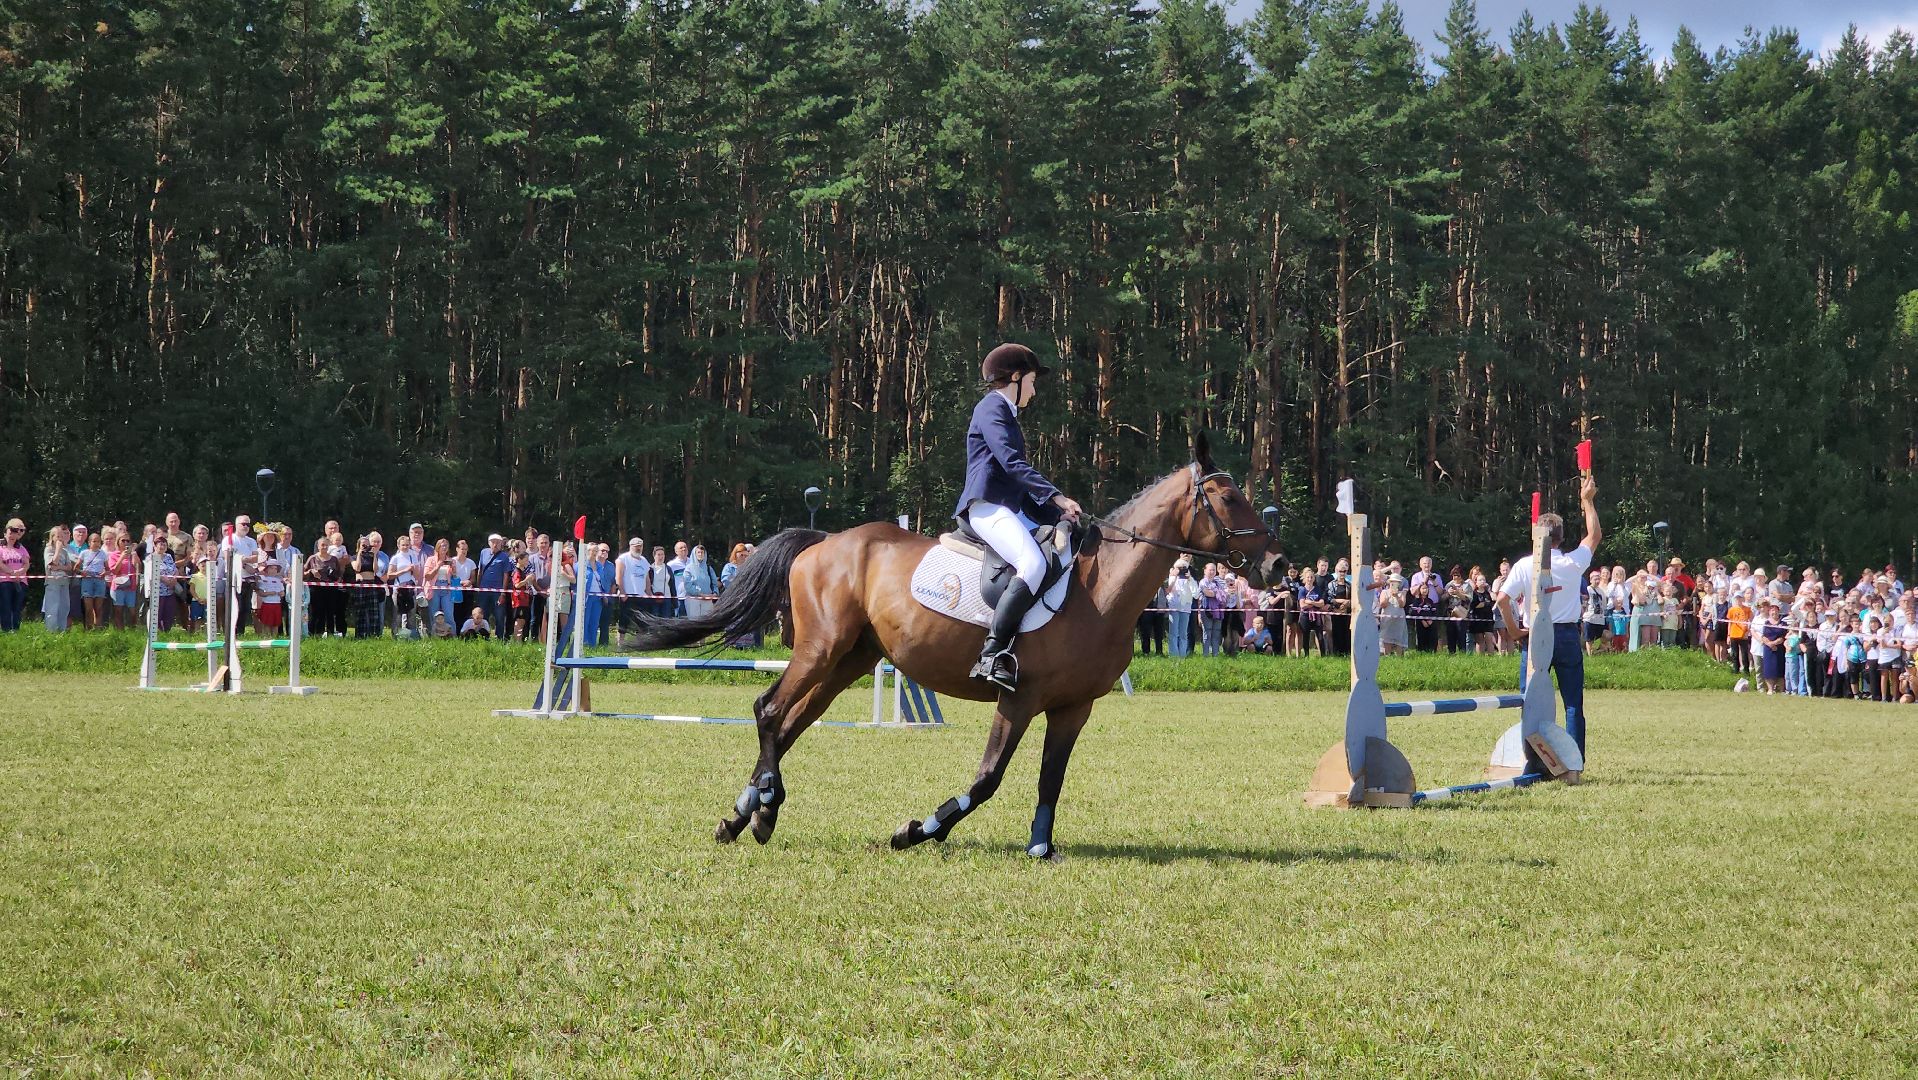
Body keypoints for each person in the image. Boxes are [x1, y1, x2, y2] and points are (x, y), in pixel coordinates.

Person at [952, 342, 1083, 690]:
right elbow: (1012, 464)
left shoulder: (1006, 413)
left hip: (1008, 507)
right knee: (1033, 564)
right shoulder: (992, 408)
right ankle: (991, 655)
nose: (1035, 389)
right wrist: (1056, 496)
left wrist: (1057, 514)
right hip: (986, 507)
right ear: (1015, 377)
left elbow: (1017, 482)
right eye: (1032, 381)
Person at [1496, 476, 1602, 755]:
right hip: (1567, 635)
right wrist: (1587, 501)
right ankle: (1573, 762)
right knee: (1572, 704)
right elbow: (1594, 537)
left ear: (1536, 536)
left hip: (1535, 637)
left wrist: (1515, 631)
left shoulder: (1523, 565)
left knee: (1530, 702)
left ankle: (1530, 758)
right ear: (1561, 537)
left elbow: (1502, 599)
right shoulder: (1571, 562)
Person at [40, 525, 74, 632]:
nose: (60, 538)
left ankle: (61, 630)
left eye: (62, 536)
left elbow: (69, 567)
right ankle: (51, 631)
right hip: (53, 582)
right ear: (52, 537)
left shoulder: (65, 552)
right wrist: (58, 549)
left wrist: (59, 567)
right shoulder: (48, 549)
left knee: (64, 607)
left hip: (64, 582)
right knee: (52, 608)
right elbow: (52, 563)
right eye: (57, 536)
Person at [616, 538, 649, 644]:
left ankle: (640, 643)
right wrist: (622, 592)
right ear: (631, 546)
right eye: (636, 546)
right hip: (627, 594)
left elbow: (647, 578)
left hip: (641, 595)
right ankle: (620, 642)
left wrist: (649, 593)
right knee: (624, 619)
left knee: (641, 620)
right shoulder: (623, 558)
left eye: (640, 546)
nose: (638, 548)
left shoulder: (644, 560)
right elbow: (619, 576)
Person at [1166, 559, 1199, 658]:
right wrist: (1174, 577)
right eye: (1179, 568)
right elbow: (1168, 590)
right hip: (1174, 607)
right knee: (1173, 633)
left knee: (1183, 634)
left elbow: (1196, 595)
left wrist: (1190, 580)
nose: (1181, 570)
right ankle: (1174, 656)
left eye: (1184, 568)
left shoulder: (1191, 580)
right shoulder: (1171, 577)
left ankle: (1182, 656)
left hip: (1185, 608)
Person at [0, 518, 28, 631]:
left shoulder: (21, 548)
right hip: (4, 581)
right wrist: (11, 572)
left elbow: (26, 564)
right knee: (5, 606)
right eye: (10, 532)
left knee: (17, 607)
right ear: (5, 532)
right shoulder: (0, 547)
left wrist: (20, 572)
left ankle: (16, 629)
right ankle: (6, 630)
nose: (12, 536)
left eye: (15, 533)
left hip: (20, 581)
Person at [78, 528, 108, 630]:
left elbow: (108, 569)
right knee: (88, 607)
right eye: (94, 541)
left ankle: (98, 627)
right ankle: (89, 628)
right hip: (87, 580)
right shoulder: (84, 553)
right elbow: (76, 568)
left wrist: (105, 572)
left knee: (98, 607)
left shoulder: (103, 554)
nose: (96, 543)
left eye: (98, 541)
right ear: (89, 542)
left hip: (99, 580)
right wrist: (82, 572)